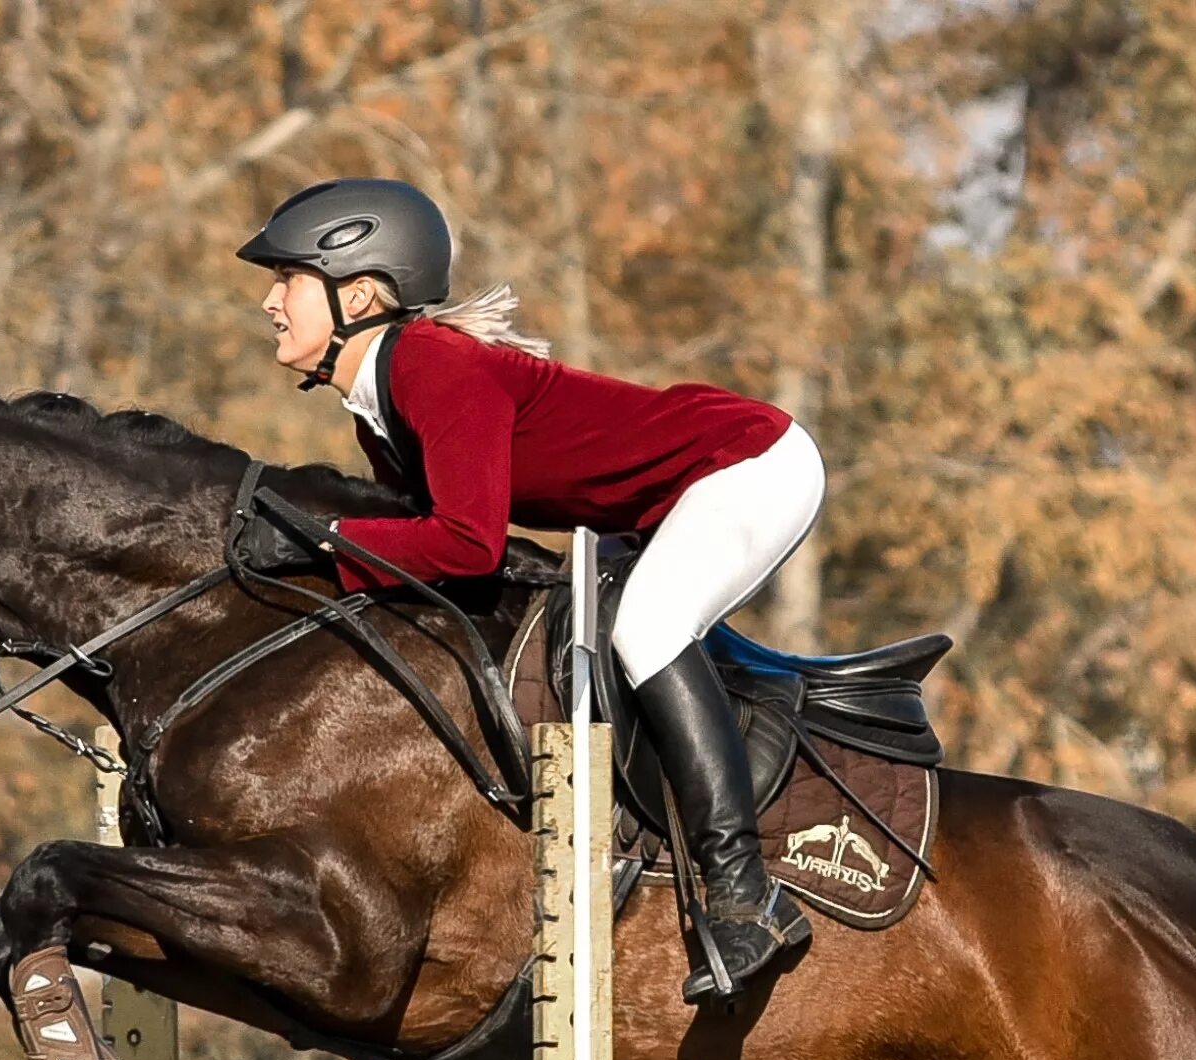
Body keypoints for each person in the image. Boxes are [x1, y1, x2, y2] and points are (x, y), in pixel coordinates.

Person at [236, 176, 825, 1003]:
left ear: (359, 294)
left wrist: (319, 544)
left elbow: (468, 547)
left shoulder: (431, 366)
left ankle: (745, 897)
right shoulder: (379, 406)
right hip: (655, 503)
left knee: (648, 629)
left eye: (286, 280)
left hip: (747, 464)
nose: (269, 301)